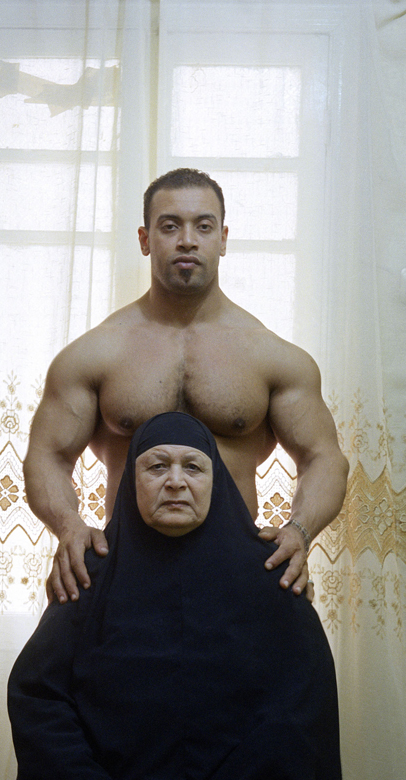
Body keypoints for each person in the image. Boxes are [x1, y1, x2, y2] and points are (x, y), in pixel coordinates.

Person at [0, 412, 351, 780]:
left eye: (192, 468)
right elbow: (39, 693)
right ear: (131, 482)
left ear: (216, 483)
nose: (175, 481)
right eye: (156, 467)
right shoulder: (90, 571)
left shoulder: (272, 574)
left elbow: (298, 711)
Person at [23, 167, 349, 604]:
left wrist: (299, 532)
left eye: (204, 226)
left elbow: (323, 457)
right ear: (145, 240)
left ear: (223, 239)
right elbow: (48, 454)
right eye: (170, 226)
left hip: (237, 573)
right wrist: (69, 527)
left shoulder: (271, 356)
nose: (187, 240)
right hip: (125, 570)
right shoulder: (96, 354)